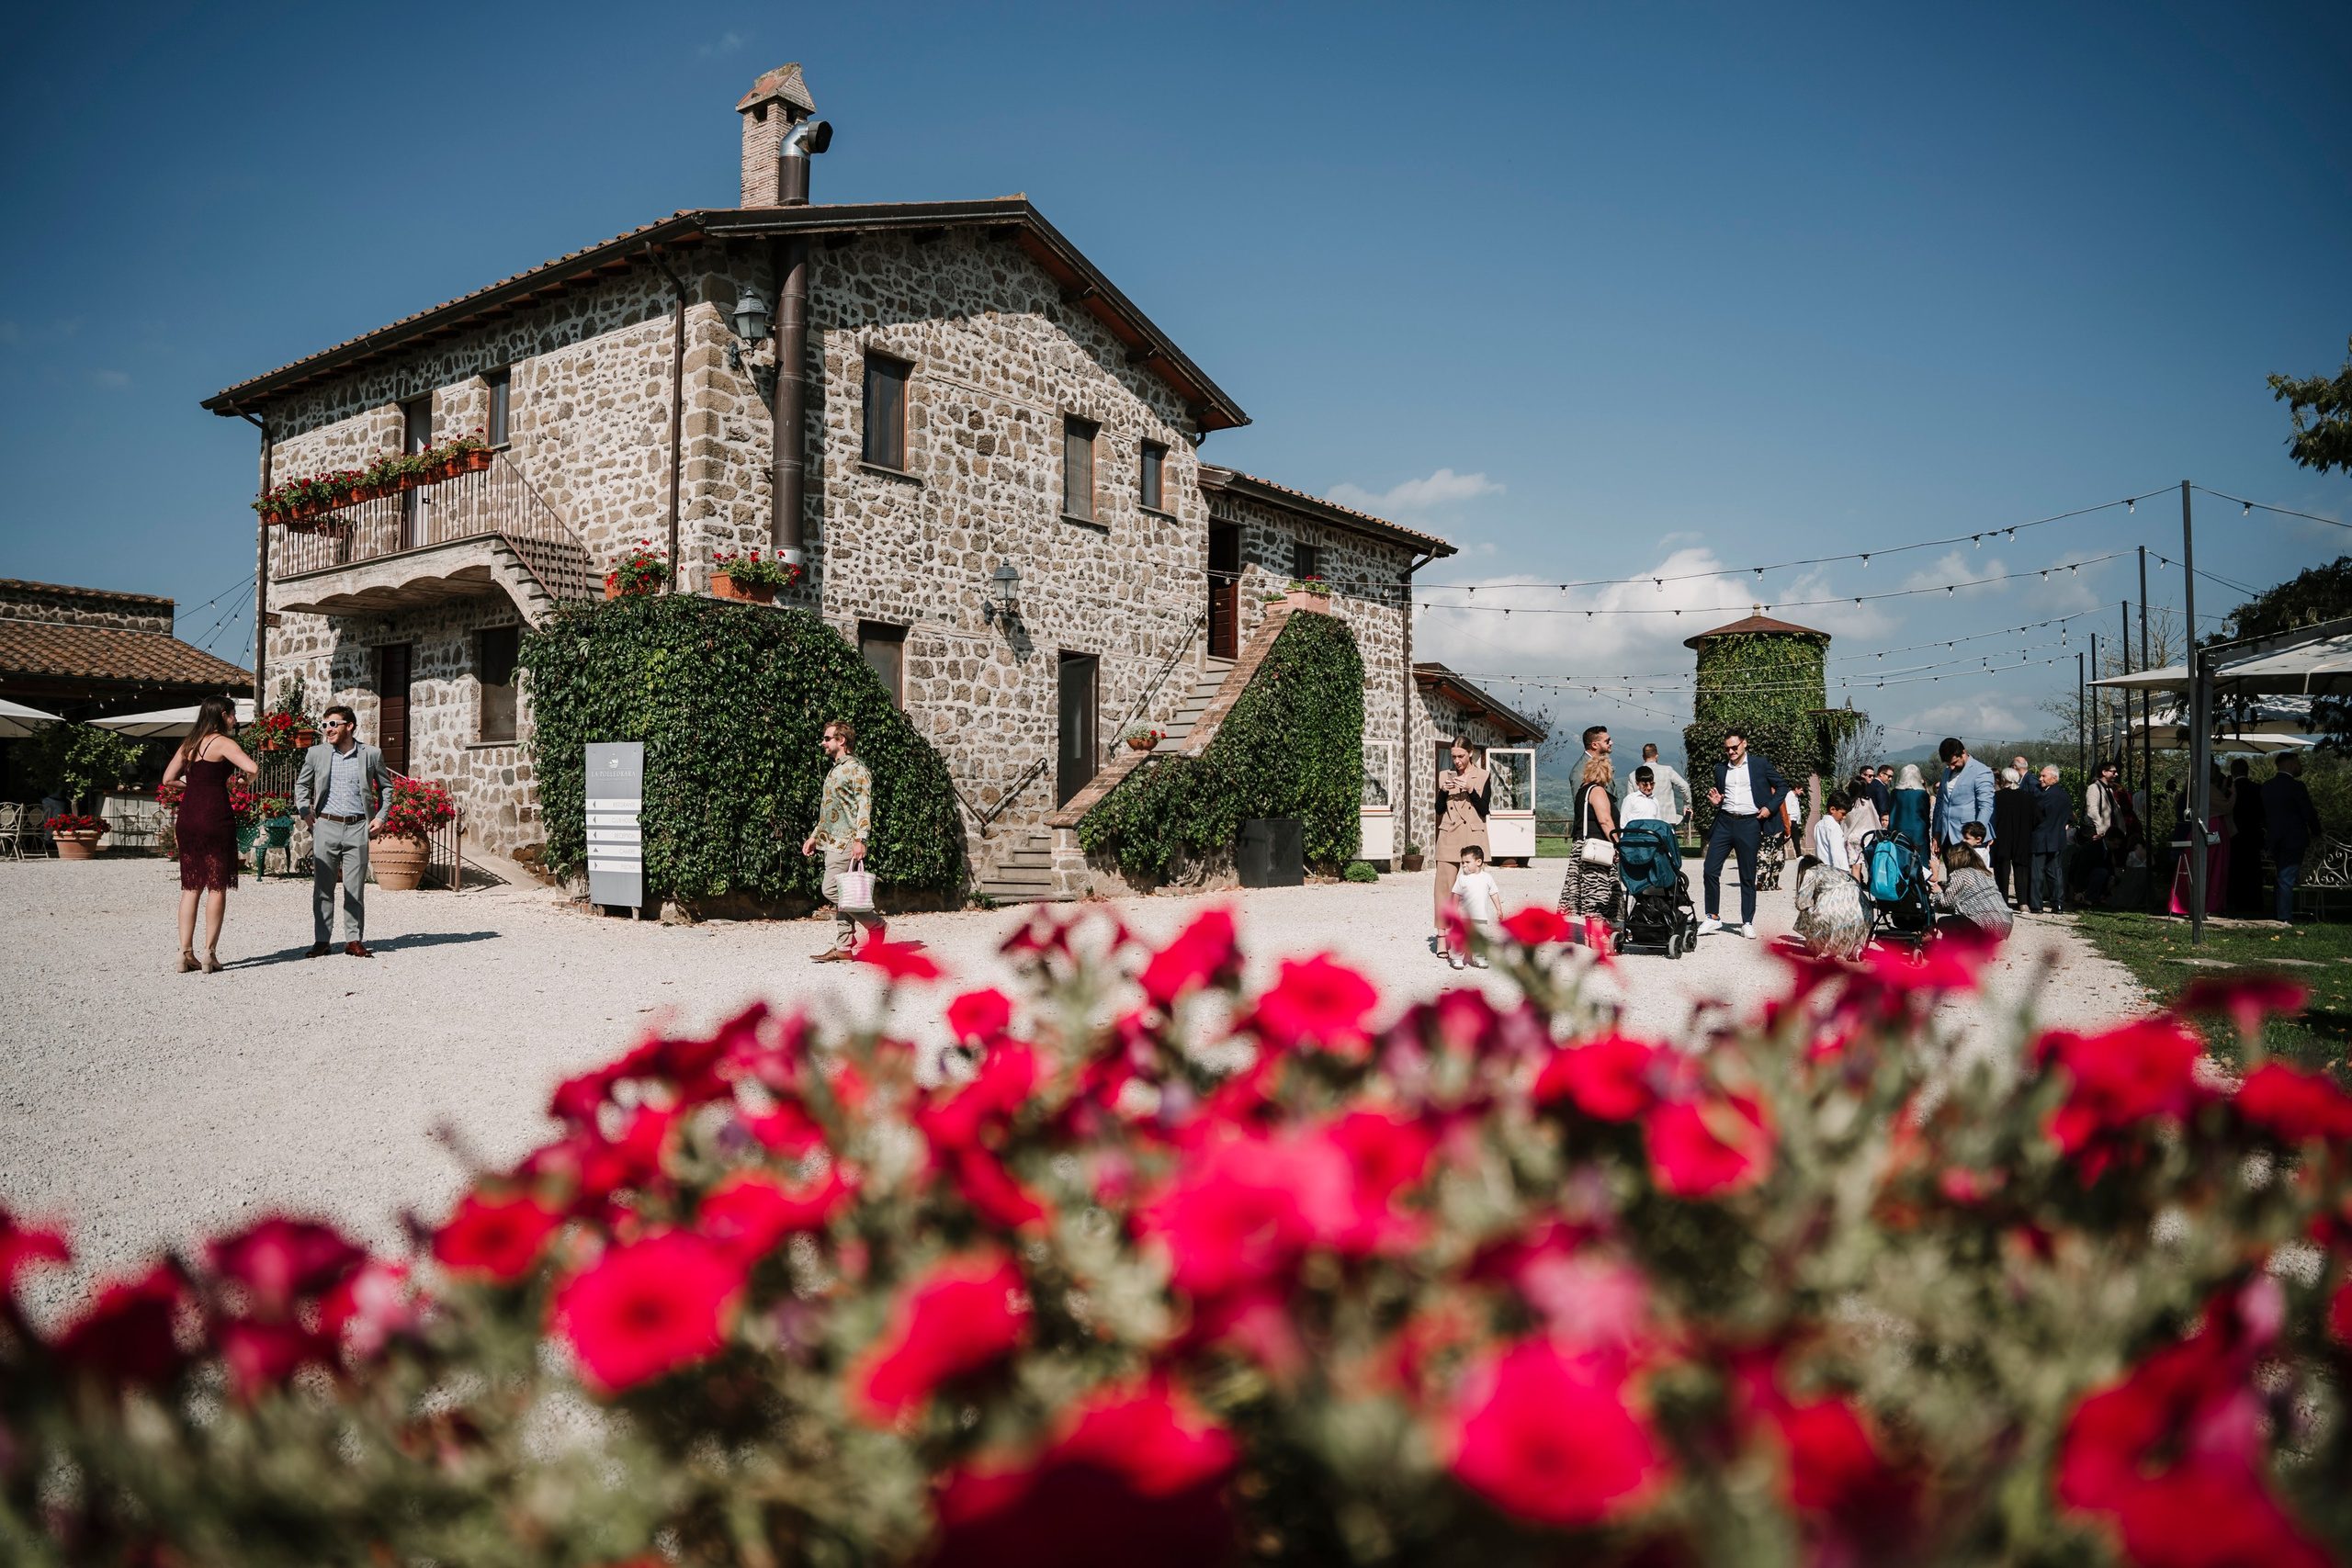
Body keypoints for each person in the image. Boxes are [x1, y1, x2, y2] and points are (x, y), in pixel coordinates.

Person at [158, 694, 260, 972]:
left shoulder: (188, 744)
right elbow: (252, 768)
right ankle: (209, 954)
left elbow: (168, 779)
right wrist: (243, 781)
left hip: (189, 816)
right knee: (216, 884)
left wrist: (192, 787)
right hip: (215, 815)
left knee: (191, 886)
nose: (235, 719)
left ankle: (183, 953)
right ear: (223, 715)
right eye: (233, 714)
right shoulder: (224, 743)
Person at [293, 705, 395, 959]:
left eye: (333, 724)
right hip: (325, 825)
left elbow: (387, 788)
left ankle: (353, 940)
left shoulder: (371, 754)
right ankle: (322, 940)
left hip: (358, 827)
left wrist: (381, 817)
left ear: (349, 725)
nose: (327, 729)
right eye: (325, 725)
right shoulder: (316, 753)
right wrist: (305, 812)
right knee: (323, 887)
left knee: (355, 887)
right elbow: (302, 784)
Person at [802, 718, 884, 961]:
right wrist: (815, 836)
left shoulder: (857, 769)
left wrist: (861, 839)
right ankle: (844, 948)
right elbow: (831, 810)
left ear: (842, 740)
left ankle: (876, 924)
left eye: (827, 738)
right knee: (844, 895)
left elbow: (863, 806)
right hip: (831, 842)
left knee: (831, 889)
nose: (823, 743)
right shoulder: (837, 769)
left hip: (846, 842)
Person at [1699, 729, 1788, 940]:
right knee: (1710, 870)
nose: (1730, 751)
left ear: (1744, 744)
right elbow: (1722, 796)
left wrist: (1770, 808)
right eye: (1727, 748)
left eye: (1734, 747)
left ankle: (1747, 921)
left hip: (1750, 823)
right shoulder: (1720, 770)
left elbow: (1782, 785)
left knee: (1747, 875)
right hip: (1724, 821)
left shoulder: (1760, 764)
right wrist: (1717, 802)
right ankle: (1713, 917)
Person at [1430, 738, 1490, 955]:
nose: (1457, 761)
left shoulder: (1483, 776)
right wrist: (1443, 792)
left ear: (1471, 753)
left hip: (1473, 838)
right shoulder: (1444, 776)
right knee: (1443, 890)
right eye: (1454, 756)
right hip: (1448, 836)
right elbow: (1438, 809)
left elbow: (1484, 809)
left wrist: (1471, 789)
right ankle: (1441, 938)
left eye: (1461, 756)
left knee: (1473, 890)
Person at [1556, 751, 1619, 931]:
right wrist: (1617, 844)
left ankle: (1593, 933)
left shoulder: (1583, 790)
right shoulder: (1597, 791)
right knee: (1597, 891)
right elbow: (1605, 820)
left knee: (1586, 890)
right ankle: (1595, 936)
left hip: (1582, 847)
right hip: (1597, 848)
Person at [2263, 752, 2322, 924]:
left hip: (2275, 837)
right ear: (2290, 766)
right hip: (2293, 837)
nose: (2300, 766)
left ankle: (2278, 912)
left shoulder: (2267, 786)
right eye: (2298, 763)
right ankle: (2284, 917)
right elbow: (2307, 811)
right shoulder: (2297, 787)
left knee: (2282, 875)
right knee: (2286, 877)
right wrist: (2316, 831)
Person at [1793, 852, 1870, 959]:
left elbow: (1801, 903)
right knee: (1847, 917)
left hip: (1833, 909)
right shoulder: (1836, 870)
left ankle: (1821, 945)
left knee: (1806, 911)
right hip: (1862, 907)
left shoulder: (1811, 872)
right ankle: (1852, 946)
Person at [1932, 739, 1998, 853]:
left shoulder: (1981, 771)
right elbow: (1943, 803)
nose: (1951, 767)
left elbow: (1986, 807)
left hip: (1969, 838)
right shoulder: (1947, 771)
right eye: (1948, 764)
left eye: (1954, 763)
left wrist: (1976, 835)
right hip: (1947, 836)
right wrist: (1937, 834)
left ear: (1964, 753)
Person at [1939, 843, 2014, 938]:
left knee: (1944, 922)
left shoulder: (1960, 873)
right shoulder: (1986, 874)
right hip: (2005, 923)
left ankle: (1954, 950)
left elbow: (1946, 903)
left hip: (1985, 924)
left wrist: (1938, 892)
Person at [1449, 843, 1503, 970]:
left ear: (1478, 862)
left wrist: (1499, 909)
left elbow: (1494, 893)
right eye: (1462, 862)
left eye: (1467, 862)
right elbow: (1456, 894)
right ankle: (1457, 958)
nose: (1464, 865)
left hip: (1481, 916)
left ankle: (1479, 958)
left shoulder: (1487, 878)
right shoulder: (1462, 878)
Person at [2029, 763, 2072, 914]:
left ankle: (2036, 904)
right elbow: (2069, 817)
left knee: (2036, 873)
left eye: (2043, 776)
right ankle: (2058, 904)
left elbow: (2035, 815)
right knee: (2055, 873)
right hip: (2057, 838)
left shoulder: (2044, 796)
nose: (2040, 779)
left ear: (2054, 779)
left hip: (2041, 837)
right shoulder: (2066, 796)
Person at [2226, 757, 2267, 914]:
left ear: (2232, 772)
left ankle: (2236, 901)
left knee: (2235, 869)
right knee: (2254, 870)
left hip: (2234, 834)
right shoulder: (2257, 788)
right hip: (2253, 834)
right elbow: (2263, 813)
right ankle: (2255, 902)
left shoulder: (2229, 790)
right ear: (2247, 770)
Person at [1619, 742, 1690, 826]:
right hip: (1668, 819)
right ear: (1657, 756)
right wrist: (1687, 805)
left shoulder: (1633, 775)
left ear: (1643, 757)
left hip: (1643, 822)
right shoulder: (1668, 771)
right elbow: (1685, 786)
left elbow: (1631, 800)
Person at [1991, 768, 2033, 907]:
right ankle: (2023, 903)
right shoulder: (2027, 797)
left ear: (2003, 780)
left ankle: (2003, 901)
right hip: (2022, 837)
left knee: (2002, 869)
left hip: (2002, 837)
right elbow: (2037, 817)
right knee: (2021, 869)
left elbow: (1991, 817)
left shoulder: (1997, 797)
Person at [1812, 791, 1858, 878]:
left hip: (1821, 870)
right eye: (1843, 814)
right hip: (1834, 873)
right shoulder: (1834, 827)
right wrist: (1844, 873)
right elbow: (1837, 853)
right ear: (1832, 809)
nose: (1844, 817)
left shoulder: (1818, 825)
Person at [1841, 773, 1882, 857]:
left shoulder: (1848, 804)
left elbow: (1844, 823)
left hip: (1851, 837)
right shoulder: (1867, 802)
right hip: (1867, 837)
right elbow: (1875, 818)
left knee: (1855, 864)